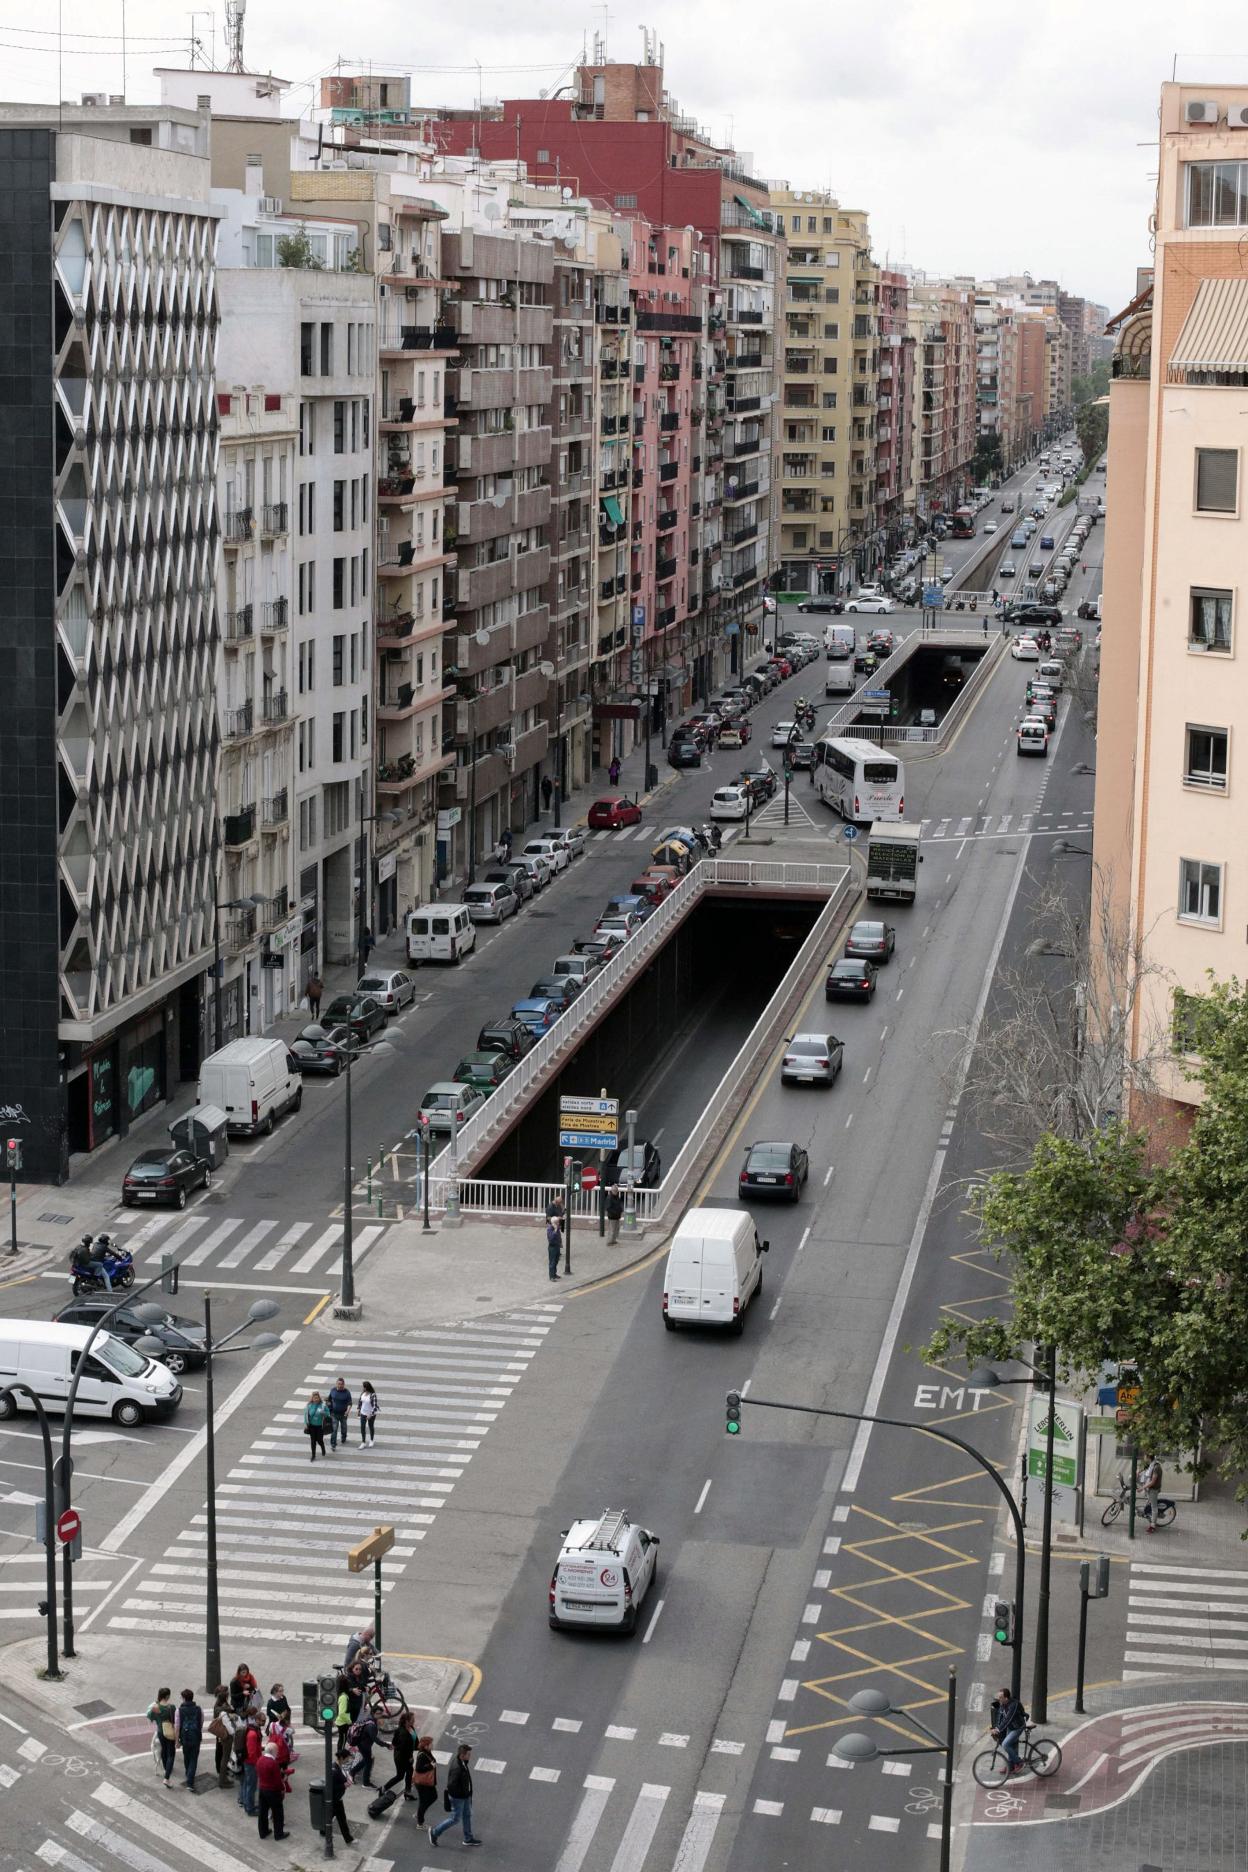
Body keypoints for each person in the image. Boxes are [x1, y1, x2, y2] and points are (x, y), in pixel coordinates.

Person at [430, 1743, 480, 1848]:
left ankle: (468, 1838)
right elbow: (451, 1786)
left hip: (465, 1796)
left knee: (467, 1815)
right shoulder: (458, 1767)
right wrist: (461, 1795)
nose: (470, 1756)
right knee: (455, 1819)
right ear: (462, 1755)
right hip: (460, 1798)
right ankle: (435, 1832)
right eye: (468, 1754)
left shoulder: (462, 1762)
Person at [256, 1741, 289, 1841]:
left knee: (262, 1811)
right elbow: (277, 1781)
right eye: (277, 1750)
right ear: (272, 1751)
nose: (277, 1752)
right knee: (277, 1812)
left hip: (262, 1789)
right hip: (272, 1791)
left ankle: (263, 1831)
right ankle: (278, 1834)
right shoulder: (273, 1763)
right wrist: (283, 1788)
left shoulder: (260, 1760)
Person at [382, 1711, 418, 1803]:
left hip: (407, 1756)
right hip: (401, 1758)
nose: (414, 1721)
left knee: (409, 1773)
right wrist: (409, 1757)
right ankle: (384, 1788)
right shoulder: (403, 1733)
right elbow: (401, 1748)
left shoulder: (411, 1728)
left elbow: (413, 1740)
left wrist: (418, 1747)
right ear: (407, 1721)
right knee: (400, 1776)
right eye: (412, 1720)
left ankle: (407, 1793)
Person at [990, 1687, 1026, 1774]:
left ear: (1006, 1698)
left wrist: (998, 1729)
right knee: (1011, 1746)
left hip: (1018, 1727)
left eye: (1000, 1697)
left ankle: (1019, 1763)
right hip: (1011, 1727)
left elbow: (1008, 1719)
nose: (999, 1699)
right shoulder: (1003, 1704)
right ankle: (1010, 1766)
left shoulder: (1014, 1705)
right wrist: (995, 1728)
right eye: (998, 1697)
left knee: (1005, 1744)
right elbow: (1000, 1717)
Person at [147, 1687, 177, 1788]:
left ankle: (166, 1768)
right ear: (167, 1696)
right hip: (169, 1731)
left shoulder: (156, 1707)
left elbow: (150, 1717)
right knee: (171, 1754)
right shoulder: (171, 1707)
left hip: (160, 1731)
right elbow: (176, 1721)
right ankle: (166, 1778)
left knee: (164, 1750)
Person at [176, 1688, 203, 1793]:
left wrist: (177, 1741)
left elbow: (177, 1727)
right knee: (194, 1759)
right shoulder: (198, 1709)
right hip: (196, 1737)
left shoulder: (179, 1710)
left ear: (183, 1698)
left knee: (186, 1757)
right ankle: (190, 1779)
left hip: (185, 1738)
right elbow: (200, 1723)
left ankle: (189, 1776)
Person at [209, 1687, 236, 1789]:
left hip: (221, 1735)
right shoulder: (221, 1709)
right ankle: (222, 1779)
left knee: (223, 1757)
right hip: (225, 1735)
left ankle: (223, 1776)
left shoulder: (219, 1706)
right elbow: (226, 1714)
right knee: (224, 1758)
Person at [348, 1711, 381, 1788]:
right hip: (362, 1746)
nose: (381, 1716)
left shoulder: (371, 1721)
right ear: (374, 1714)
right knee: (367, 1761)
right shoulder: (371, 1725)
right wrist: (386, 1745)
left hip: (362, 1745)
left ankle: (352, 1772)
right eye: (378, 1714)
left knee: (367, 1760)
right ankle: (365, 1783)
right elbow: (374, 1739)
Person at [412, 1733, 439, 1825]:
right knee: (424, 1800)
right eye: (431, 1744)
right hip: (423, 1783)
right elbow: (419, 1769)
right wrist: (430, 1766)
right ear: (426, 1746)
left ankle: (420, 1813)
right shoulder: (422, 1755)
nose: (432, 1745)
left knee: (433, 1797)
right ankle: (420, 1822)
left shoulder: (427, 1752)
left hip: (427, 1782)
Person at [237, 1715, 262, 1816]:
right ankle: (250, 1808)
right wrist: (257, 1764)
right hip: (251, 1764)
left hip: (248, 1762)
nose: (264, 1722)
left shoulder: (253, 1731)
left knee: (247, 1783)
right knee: (251, 1786)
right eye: (262, 1720)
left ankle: (245, 1802)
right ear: (257, 1720)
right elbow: (251, 1753)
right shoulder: (252, 1734)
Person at [329, 1759, 355, 1845]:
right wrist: (344, 1785)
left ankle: (323, 1829)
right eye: (347, 1758)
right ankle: (348, 1838)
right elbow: (332, 1787)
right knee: (342, 1819)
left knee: (331, 1814)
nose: (348, 1760)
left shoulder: (338, 1767)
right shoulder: (335, 1771)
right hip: (337, 1799)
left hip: (336, 1798)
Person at [327, 1377, 353, 1451]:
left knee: (344, 1427)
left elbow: (350, 1403)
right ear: (336, 1384)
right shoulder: (333, 1390)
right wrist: (328, 1407)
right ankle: (333, 1444)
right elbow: (329, 1400)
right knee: (334, 1429)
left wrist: (347, 1411)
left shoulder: (347, 1392)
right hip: (334, 1414)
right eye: (339, 1384)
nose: (340, 1385)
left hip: (344, 1414)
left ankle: (343, 1437)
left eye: (341, 1384)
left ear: (344, 1384)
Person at [304, 1389, 330, 1461]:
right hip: (312, 1426)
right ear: (312, 1398)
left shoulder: (323, 1405)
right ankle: (313, 1455)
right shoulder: (309, 1406)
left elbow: (328, 1414)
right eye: (314, 1398)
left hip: (320, 1426)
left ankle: (322, 1447)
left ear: (319, 1398)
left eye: (317, 1398)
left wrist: (323, 1413)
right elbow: (306, 1415)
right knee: (313, 1441)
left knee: (319, 1440)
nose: (316, 1399)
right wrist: (306, 1424)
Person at [1140, 1454, 1163, 1533]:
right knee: (1149, 1503)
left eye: (1145, 1456)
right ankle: (1148, 1514)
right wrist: (1137, 1472)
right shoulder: (1150, 1464)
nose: (1144, 1457)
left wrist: (1142, 1488)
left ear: (1148, 1457)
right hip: (1150, 1487)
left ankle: (1153, 1526)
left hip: (1153, 1489)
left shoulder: (1156, 1467)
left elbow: (1153, 1482)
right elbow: (1143, 1469)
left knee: (1154, 1507)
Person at [358, 1380, 379, 1447]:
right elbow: (360, 1402)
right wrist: (359, 1410)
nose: (362, 1388)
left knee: (371, 1426)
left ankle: (371, 1440)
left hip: (371, 1414)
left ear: (366, 1387)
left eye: (363, 1387)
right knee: (362, 1427)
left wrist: (370, 1414)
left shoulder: (373, 1395)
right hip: (363, 1413)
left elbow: (375, 1406)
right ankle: (363, 1442)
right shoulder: (363, 1394)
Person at [546, 1211, 563, 1282]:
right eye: (557, 1222)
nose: (559, 1223)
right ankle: (551, 1276)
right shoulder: (550, 1229)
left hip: (557, 1246)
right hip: (552, 1247)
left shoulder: (557, 1228)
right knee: (552, 1262)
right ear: (554, 1223)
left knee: (556, 1261)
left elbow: (559, 1236)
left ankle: (554, 1273)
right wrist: (555, 1230)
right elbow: (551, 1239)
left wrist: (560, 1243)